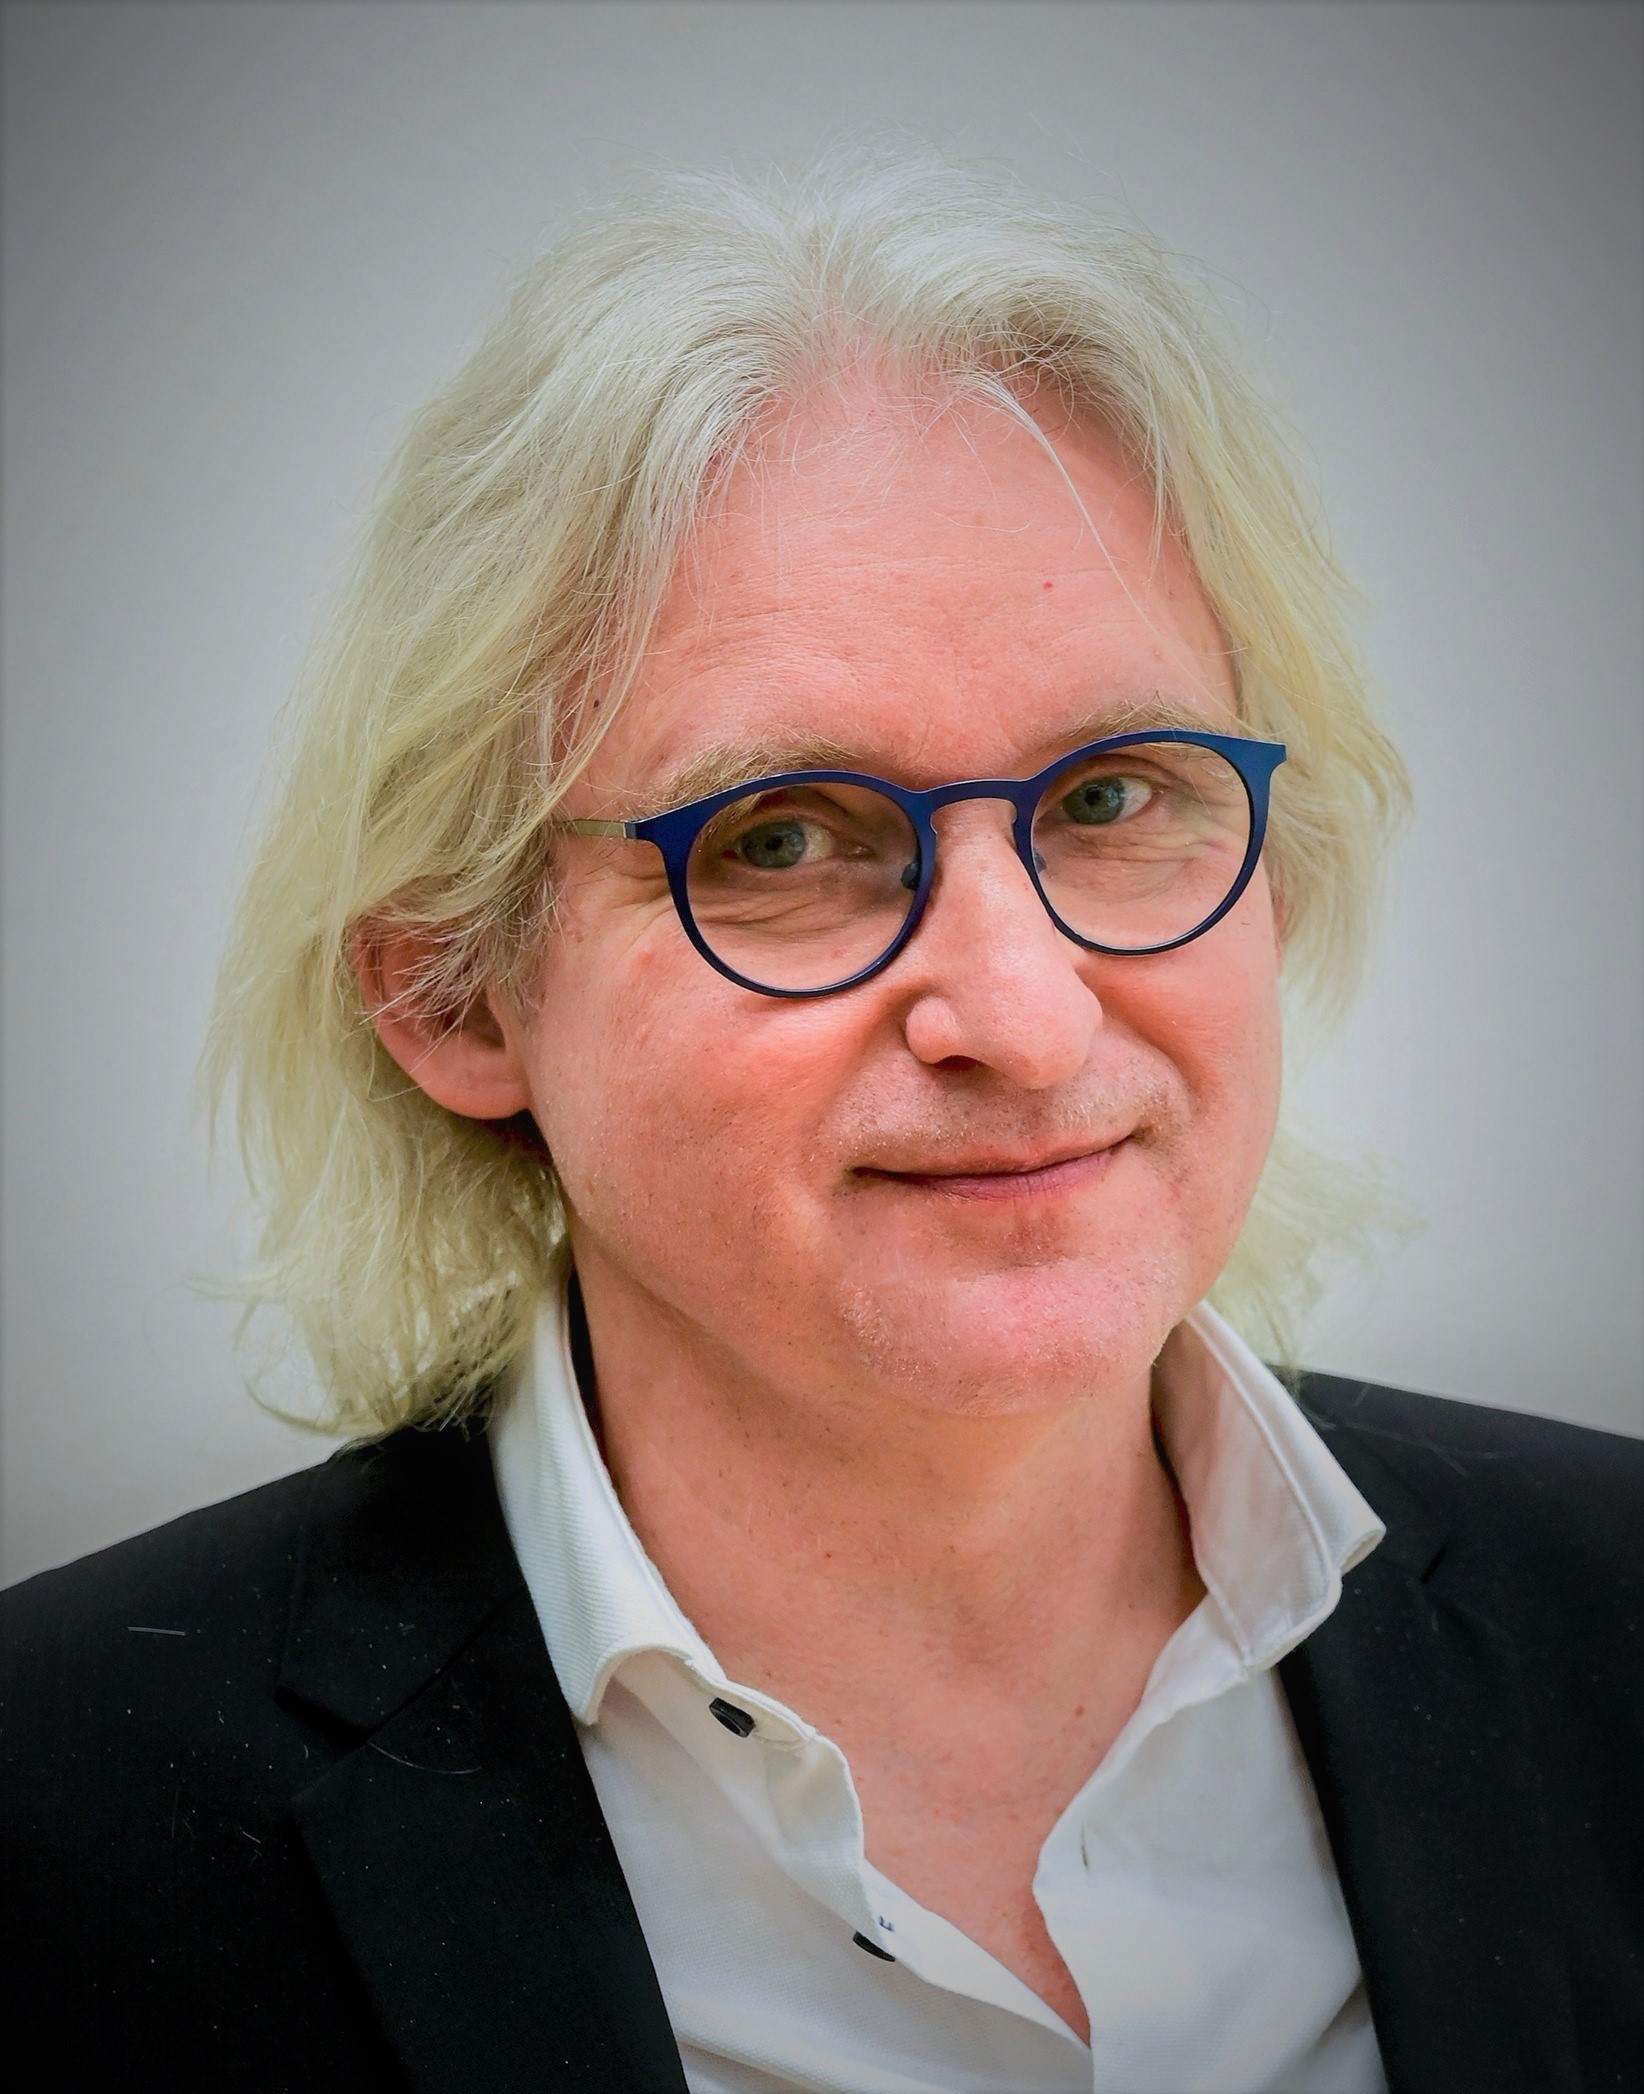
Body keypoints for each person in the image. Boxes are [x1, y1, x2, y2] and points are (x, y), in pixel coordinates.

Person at [2, 148, 1637, 2094]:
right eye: (783, 840)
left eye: (1116, 797)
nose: (1023, 1017)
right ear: (454, 990)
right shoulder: (55, 1828)